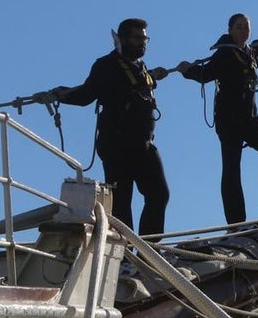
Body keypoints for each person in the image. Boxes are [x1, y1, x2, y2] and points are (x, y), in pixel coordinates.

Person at [45, 18, 170, 236]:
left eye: (145, 38)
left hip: (143, 144)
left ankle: (151, 250)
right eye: (137, 38)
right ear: (123, 39)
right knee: (122, 204)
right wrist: (58, 94)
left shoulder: (141, 68)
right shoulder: (106, 66)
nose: (143, 43)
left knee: (159, 194)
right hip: (117, 145)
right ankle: (126, 256)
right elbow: (86, 94)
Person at [176, 13, 258, 223]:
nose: (244, 31)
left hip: (249, 119)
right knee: (232, 169)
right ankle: (236, 222)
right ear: (230, 30)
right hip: (229, 121)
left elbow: (254, 59)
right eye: (239, 27)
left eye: (247, 27)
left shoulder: (248, 53)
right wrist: (188, 70)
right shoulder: (224, 54)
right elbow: (206, 74)